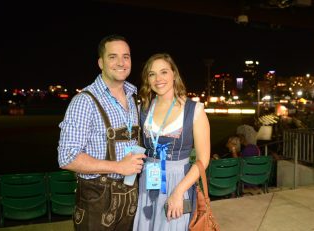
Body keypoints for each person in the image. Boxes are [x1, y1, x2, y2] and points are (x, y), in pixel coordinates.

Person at [57, 35, 146, 231]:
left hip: (130, 198)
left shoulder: (134, 98)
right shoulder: (84, 101)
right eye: (113, 57)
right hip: (97, 200)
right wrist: (118, 167)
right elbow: (66, 157)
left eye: (126, 56)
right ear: (101, 62)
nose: (121, 63)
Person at [133, 53, 211, 230]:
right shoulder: (143, 109)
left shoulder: (194, 109)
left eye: (163, 72)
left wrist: (179, 191)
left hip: (179, 182)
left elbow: (203, 160)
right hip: (149, 181)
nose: (158, 79)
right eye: (152, 74)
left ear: (174, 74)